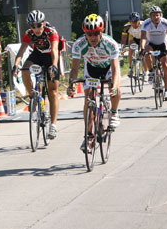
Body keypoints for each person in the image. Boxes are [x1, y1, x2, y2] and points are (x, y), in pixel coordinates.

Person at [67, 14, 122, 151]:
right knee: (88, 99)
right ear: (85, 33)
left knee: (116, 89)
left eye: (96, 33)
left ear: (101, 32)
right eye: (89, 34)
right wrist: (71, 84)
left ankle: (114, 112)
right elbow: (74, 69)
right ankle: (88, 136)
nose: (93, 37)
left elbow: (115, 70)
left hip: (108, 69)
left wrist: (114, 86)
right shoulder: (79, 45)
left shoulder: (111, 44)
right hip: (92, 69)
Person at [14, 10, 62, 139]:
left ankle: (53, 125)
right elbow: (21, 51)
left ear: (44, 23)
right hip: (38, 54)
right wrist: (15, 65)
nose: (36, 29)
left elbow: (55, 50)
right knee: (24, 70)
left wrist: (54, 66)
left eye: (38, 25)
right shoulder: (28, 34)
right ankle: (33, 97)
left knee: (52, 92)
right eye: (32, 26)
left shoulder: (51, 32)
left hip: (51, 56)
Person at [140, 5, 167, 101]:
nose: (155, 17)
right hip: (151, 44)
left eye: (157, 15)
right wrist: (142, 48)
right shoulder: (146, 23)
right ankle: (151, 71)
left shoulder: (165, 22)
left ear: (160, 15)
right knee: (146, 52)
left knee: (165, 64)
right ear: (150, 16)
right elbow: (143, 37)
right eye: (153, 15)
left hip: (163, 44)